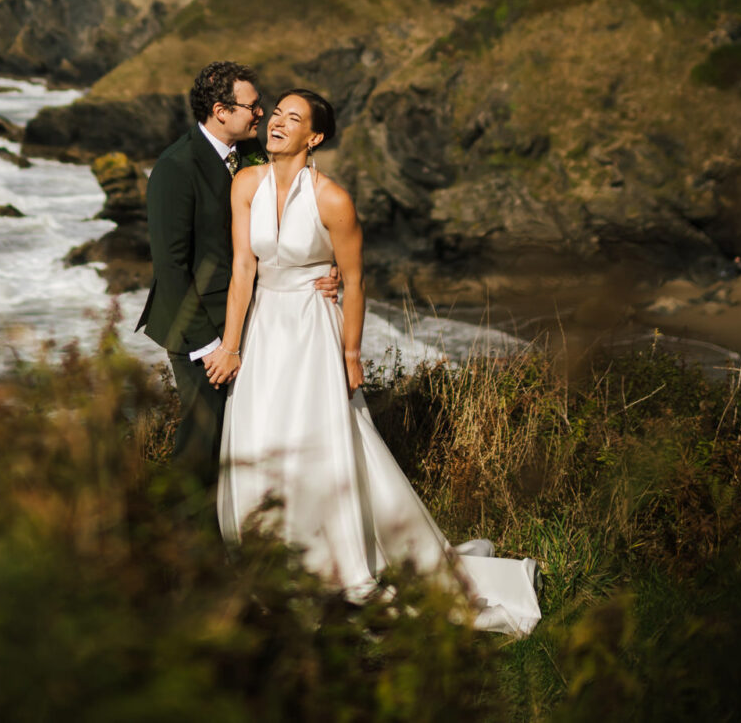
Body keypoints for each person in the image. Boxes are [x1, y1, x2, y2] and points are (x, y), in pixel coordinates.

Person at [212, 87, 542, 635]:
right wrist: (231, 345)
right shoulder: (245, 183)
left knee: (316, 443)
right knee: (257, 439)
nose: (275, 123)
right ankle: (267, 573)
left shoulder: (333, 199)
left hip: (311, 333)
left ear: (313, 137)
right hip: (264, 326)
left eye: (291, 119)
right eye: (275, 114)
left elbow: (356, 279)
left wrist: (349, 352)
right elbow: (243, 270)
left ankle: (331, 568)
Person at [136, 61, 338, 490]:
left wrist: (325, 265)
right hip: (199, 329)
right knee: (202, 442)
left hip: (251, 318)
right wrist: (212, 346)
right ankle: (184, 547)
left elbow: (295, 214)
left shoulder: (252, 155)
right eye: (253, 106)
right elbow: (170, 268)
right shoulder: (176, 167)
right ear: (221, 111)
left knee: (243, 435)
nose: (262, 114)